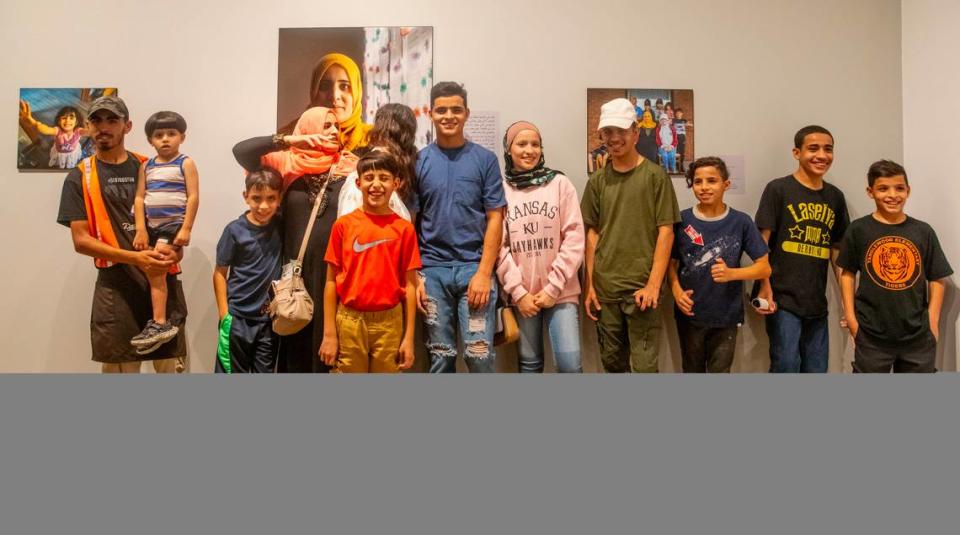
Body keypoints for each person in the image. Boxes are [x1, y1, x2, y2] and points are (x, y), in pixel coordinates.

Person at [55, 96, 186, 373]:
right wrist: (135, 258)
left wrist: (176, 247)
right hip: (116, 290)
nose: (104, 127)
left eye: (112, 120)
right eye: (97, 120)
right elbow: (81, 241)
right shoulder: (79, 177)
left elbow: (176, 213)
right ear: (87, 127)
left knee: (170, 370)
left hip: (161, 280)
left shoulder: (150, 166)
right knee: (120, 373)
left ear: (127, 126)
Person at [233, 106, 357, 372]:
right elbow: (241, 150)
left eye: (336, 126)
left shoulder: (350, 167)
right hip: (293, 275)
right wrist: (290, 140)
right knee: (294, 348)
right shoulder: (285, 163)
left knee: (330, 351)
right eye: (326, 126)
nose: (334, 131)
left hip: (332, 274)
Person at [412, 82, 506, 373]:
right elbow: (410, 223)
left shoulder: (485, 160)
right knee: (441, 357)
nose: (448, 116)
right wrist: (415, 277)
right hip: (432, 273)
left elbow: (495, 218)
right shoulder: (419, 161)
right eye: (441, 110)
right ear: (430, 114)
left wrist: (483, 272)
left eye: (456, 109)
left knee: (479, 356)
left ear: (467, 114)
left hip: (473, 270)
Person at [582, 98, 680, 373]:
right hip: (606, 290)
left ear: (635, 133)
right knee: (612, 364)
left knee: (645, 367)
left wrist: (653, 285)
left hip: (641, 291)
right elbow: (592, 234)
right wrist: (591, 285)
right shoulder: (598, 181)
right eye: (608, 132)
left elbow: (666, 233)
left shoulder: (655, 176)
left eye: (621, 131)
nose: (614, 139)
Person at [838, 160, 952, 373]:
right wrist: (852, 319)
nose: (892, 195)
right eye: (883, 188)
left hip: (917, 335)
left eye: (899, 188)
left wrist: (933, 321)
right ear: (870, 192)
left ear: (908, 191)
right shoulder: (859, 230)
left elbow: (938, 277)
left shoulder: (923, 231)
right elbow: (847, 273)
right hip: (871, 334)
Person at [753, 125, 850, 373]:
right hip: (781, 298)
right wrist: (764, 287)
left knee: (817, 368)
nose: (821, 155)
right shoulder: (778, 189)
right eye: (813, 148)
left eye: (828, 149)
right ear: (797, 153)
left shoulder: (835, 197)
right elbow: (760, 245)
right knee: (786, 365)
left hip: (817, 301)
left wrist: (848, 302)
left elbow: (837, 252)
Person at [319, 150, 422, 373]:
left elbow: (410, 286)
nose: (376, 185)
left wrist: (409, 338)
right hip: (349, 321)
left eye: (384, 178)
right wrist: (329, 334)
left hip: (390, 323)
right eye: (369, 178)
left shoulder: (404, 230)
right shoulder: (343, 226)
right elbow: (330, 282)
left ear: (396, 183)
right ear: (358, 183)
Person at [497, 121, 585, 373]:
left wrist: (553, 287)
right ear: (508, 149)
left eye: (535, 144)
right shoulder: (501, 190)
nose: (529, 150)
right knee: (529, 364)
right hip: (523, 296)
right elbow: (499, 247)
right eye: (521, 144)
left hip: (561, 292)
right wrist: (518, 292)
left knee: (569, 366)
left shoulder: (559, 184)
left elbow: (574, 237)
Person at [668, 157, 770, 373]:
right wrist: (676, 291)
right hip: (690, 315)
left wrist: (732, 273)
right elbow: (671, 263)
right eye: (698, 181)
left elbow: (764, 267)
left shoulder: (741, 222)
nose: (704, 187)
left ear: (726, 184)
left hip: (726, 317)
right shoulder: (682, 220)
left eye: (712, 180)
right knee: (691, 370)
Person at [131, 111, 199, 353]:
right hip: (151, 226)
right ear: (150, 140)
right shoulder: (146, 166)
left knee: (157, 268)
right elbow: (139, 198)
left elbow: (193, 197)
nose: (165, 139)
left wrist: (186, 229)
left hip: (172, 225)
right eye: (158, 135)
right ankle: (159, 321)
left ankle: (160, 322)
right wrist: (140, 229)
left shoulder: (185, 163)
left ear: (182, 136)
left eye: (171, 134)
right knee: (151, 269)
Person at [213, 167, 284, 373]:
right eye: (256, 198)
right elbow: (219, 272)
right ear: (246, 197)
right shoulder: (234, 230)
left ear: (279, 198)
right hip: (237, 319)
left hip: (268, 321)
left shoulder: (281, 224)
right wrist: (224, 314)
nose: (264, 206)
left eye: (271, 198)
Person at [338, 103, 419, 219]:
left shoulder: (364, 165)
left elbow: (348, 213)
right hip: (397, 232)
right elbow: (411, 215)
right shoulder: (413, 163)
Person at [280, 53, 372, 152]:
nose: (334, 96)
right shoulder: (289, 136)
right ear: (313, 92)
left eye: (344, 86)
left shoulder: (375, 139)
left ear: (357, 92)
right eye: (324, 86)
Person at [19, 100, 87, 169]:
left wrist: (92, 127)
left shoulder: (78, 131)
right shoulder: (57, 130)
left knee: (70, 163)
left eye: (71, 118)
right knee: (59, 163)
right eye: (64, 118)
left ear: (76, 122)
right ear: (59, 121)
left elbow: (88, 132)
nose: (67, 121)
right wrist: (34, 123)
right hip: (59, 153)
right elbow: (46, 130)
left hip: (72, 152)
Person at [674, 108, 690, 172]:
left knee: (682, 152)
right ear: (675, 114)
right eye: (677, 113)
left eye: (680, 113)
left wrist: (688, 124)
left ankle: (681, 166)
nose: (678, 114)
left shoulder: (684, 120)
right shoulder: (673, 120)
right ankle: (677, 166)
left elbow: (689, 124)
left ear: (682, 113)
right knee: (676, 152)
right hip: (675, 138)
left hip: (682, 138)